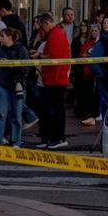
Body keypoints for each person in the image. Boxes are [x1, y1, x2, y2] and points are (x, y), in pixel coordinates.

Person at [35, 12, 71, 149]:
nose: (42, 30)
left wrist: (39, 56)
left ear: (46, 23)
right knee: (55, 109)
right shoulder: (59, 33)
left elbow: (52, 57)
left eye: (42, 26)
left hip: (54, 78)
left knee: (55, 110)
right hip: (56, 77)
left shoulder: (55, 35)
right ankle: (54, 137)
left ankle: (58, 137)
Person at [0, 25, 30, 146]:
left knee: (16, 115)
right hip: (2, 83)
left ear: (10, 37)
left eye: (2, 36)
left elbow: (26, 68)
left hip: (17, 85)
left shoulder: (21, 49)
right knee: (0, 114)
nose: (0, 38)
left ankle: (15, 141)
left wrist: (11, 64)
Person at [71, 22, 98, 126]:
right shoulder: (81, 42)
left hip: (92, 71)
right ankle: (83, 110)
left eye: (96, 31)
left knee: (91, 92)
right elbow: (77, 55)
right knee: (82, 91)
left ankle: (90, 112)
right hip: (82, 70)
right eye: (92, 31)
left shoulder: (95, 43)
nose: (83, 28)